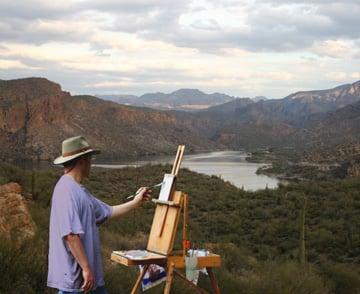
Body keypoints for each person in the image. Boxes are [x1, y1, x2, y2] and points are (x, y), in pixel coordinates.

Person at [47, 136, 152, 293]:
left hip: (90, 281)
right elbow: (70, 236)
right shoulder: (65, 190)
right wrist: (86, 268)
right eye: (90, 158)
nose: (91, 163)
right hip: (77, 282)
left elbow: (109, 211)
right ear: (82, 160)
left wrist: (136, 202)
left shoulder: (80, 191)